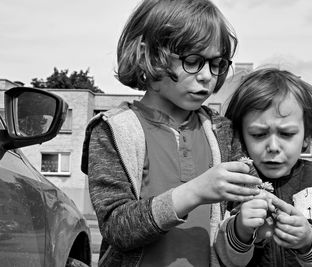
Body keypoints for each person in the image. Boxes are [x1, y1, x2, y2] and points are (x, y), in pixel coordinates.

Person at [80, 0, 263, 266]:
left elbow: (244, 205)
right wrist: (195, 192)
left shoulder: (222, 131)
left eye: (216, 64)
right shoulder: (113, 131)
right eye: (192, 61)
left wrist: (249, 224)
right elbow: (117, 227)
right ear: (149, 55)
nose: (206, 76)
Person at [215, 68, 312, 267]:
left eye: (287, 134)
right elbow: (222, 257)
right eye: (258, 134)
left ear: (307, 136)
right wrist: (239, 231)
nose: (273, 147)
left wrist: (309, 241)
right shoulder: (233, 184)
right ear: (240, 137)